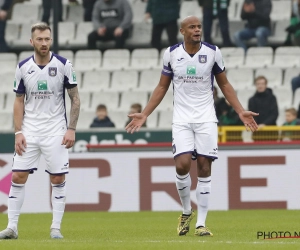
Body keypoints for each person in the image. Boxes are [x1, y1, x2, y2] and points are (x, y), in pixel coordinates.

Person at [125, 16, 258, 237]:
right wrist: (145, 114)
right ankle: (187, 210)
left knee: (205, 167)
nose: (197, 30)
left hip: (206, 118)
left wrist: (240, 110)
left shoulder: (213, 52)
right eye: (192, 27)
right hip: (182, 119)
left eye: (199, 27)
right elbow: (162, 86)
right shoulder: (171, 54)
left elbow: (224, 83)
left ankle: (201, 223)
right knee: (182, 165)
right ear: (182, 31)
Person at [0, 22, 81, 240]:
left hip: (56, 130)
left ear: (51, 40)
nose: (44, 43)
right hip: (30, 130)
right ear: (31, 41)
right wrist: (18, 132)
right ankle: (12, 227)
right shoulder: (23, 67)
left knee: (57, 178)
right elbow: (18, 101)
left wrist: (71, 128)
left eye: (47, 39)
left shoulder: (64, 64)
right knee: (17, 175)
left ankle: (55, 228)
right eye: (40, 39)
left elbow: (75, 99)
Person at [248, 76, 278, 141]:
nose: (260, 86)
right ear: (255, 85)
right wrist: (257, 125)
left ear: (266, 85)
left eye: (262, 84)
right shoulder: (252, 100)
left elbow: (274, 114)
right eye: (258, 84)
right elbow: (251, 115)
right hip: (257, 132)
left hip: (271, 132)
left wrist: (265, 124)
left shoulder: (272, 98)